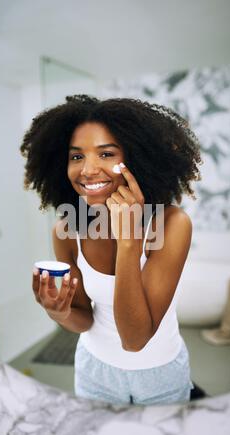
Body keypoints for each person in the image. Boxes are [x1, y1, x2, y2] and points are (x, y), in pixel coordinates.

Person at [21, 94, 203, 406]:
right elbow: (85, 320)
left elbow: (135, 340)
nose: (88, 170)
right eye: (76, 157)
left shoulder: (172, 224)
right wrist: (58, 310)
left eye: (106, 154)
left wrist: (129, 242)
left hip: (158, 372)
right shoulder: (67, 230)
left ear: (137, 159)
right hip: (95, 371)